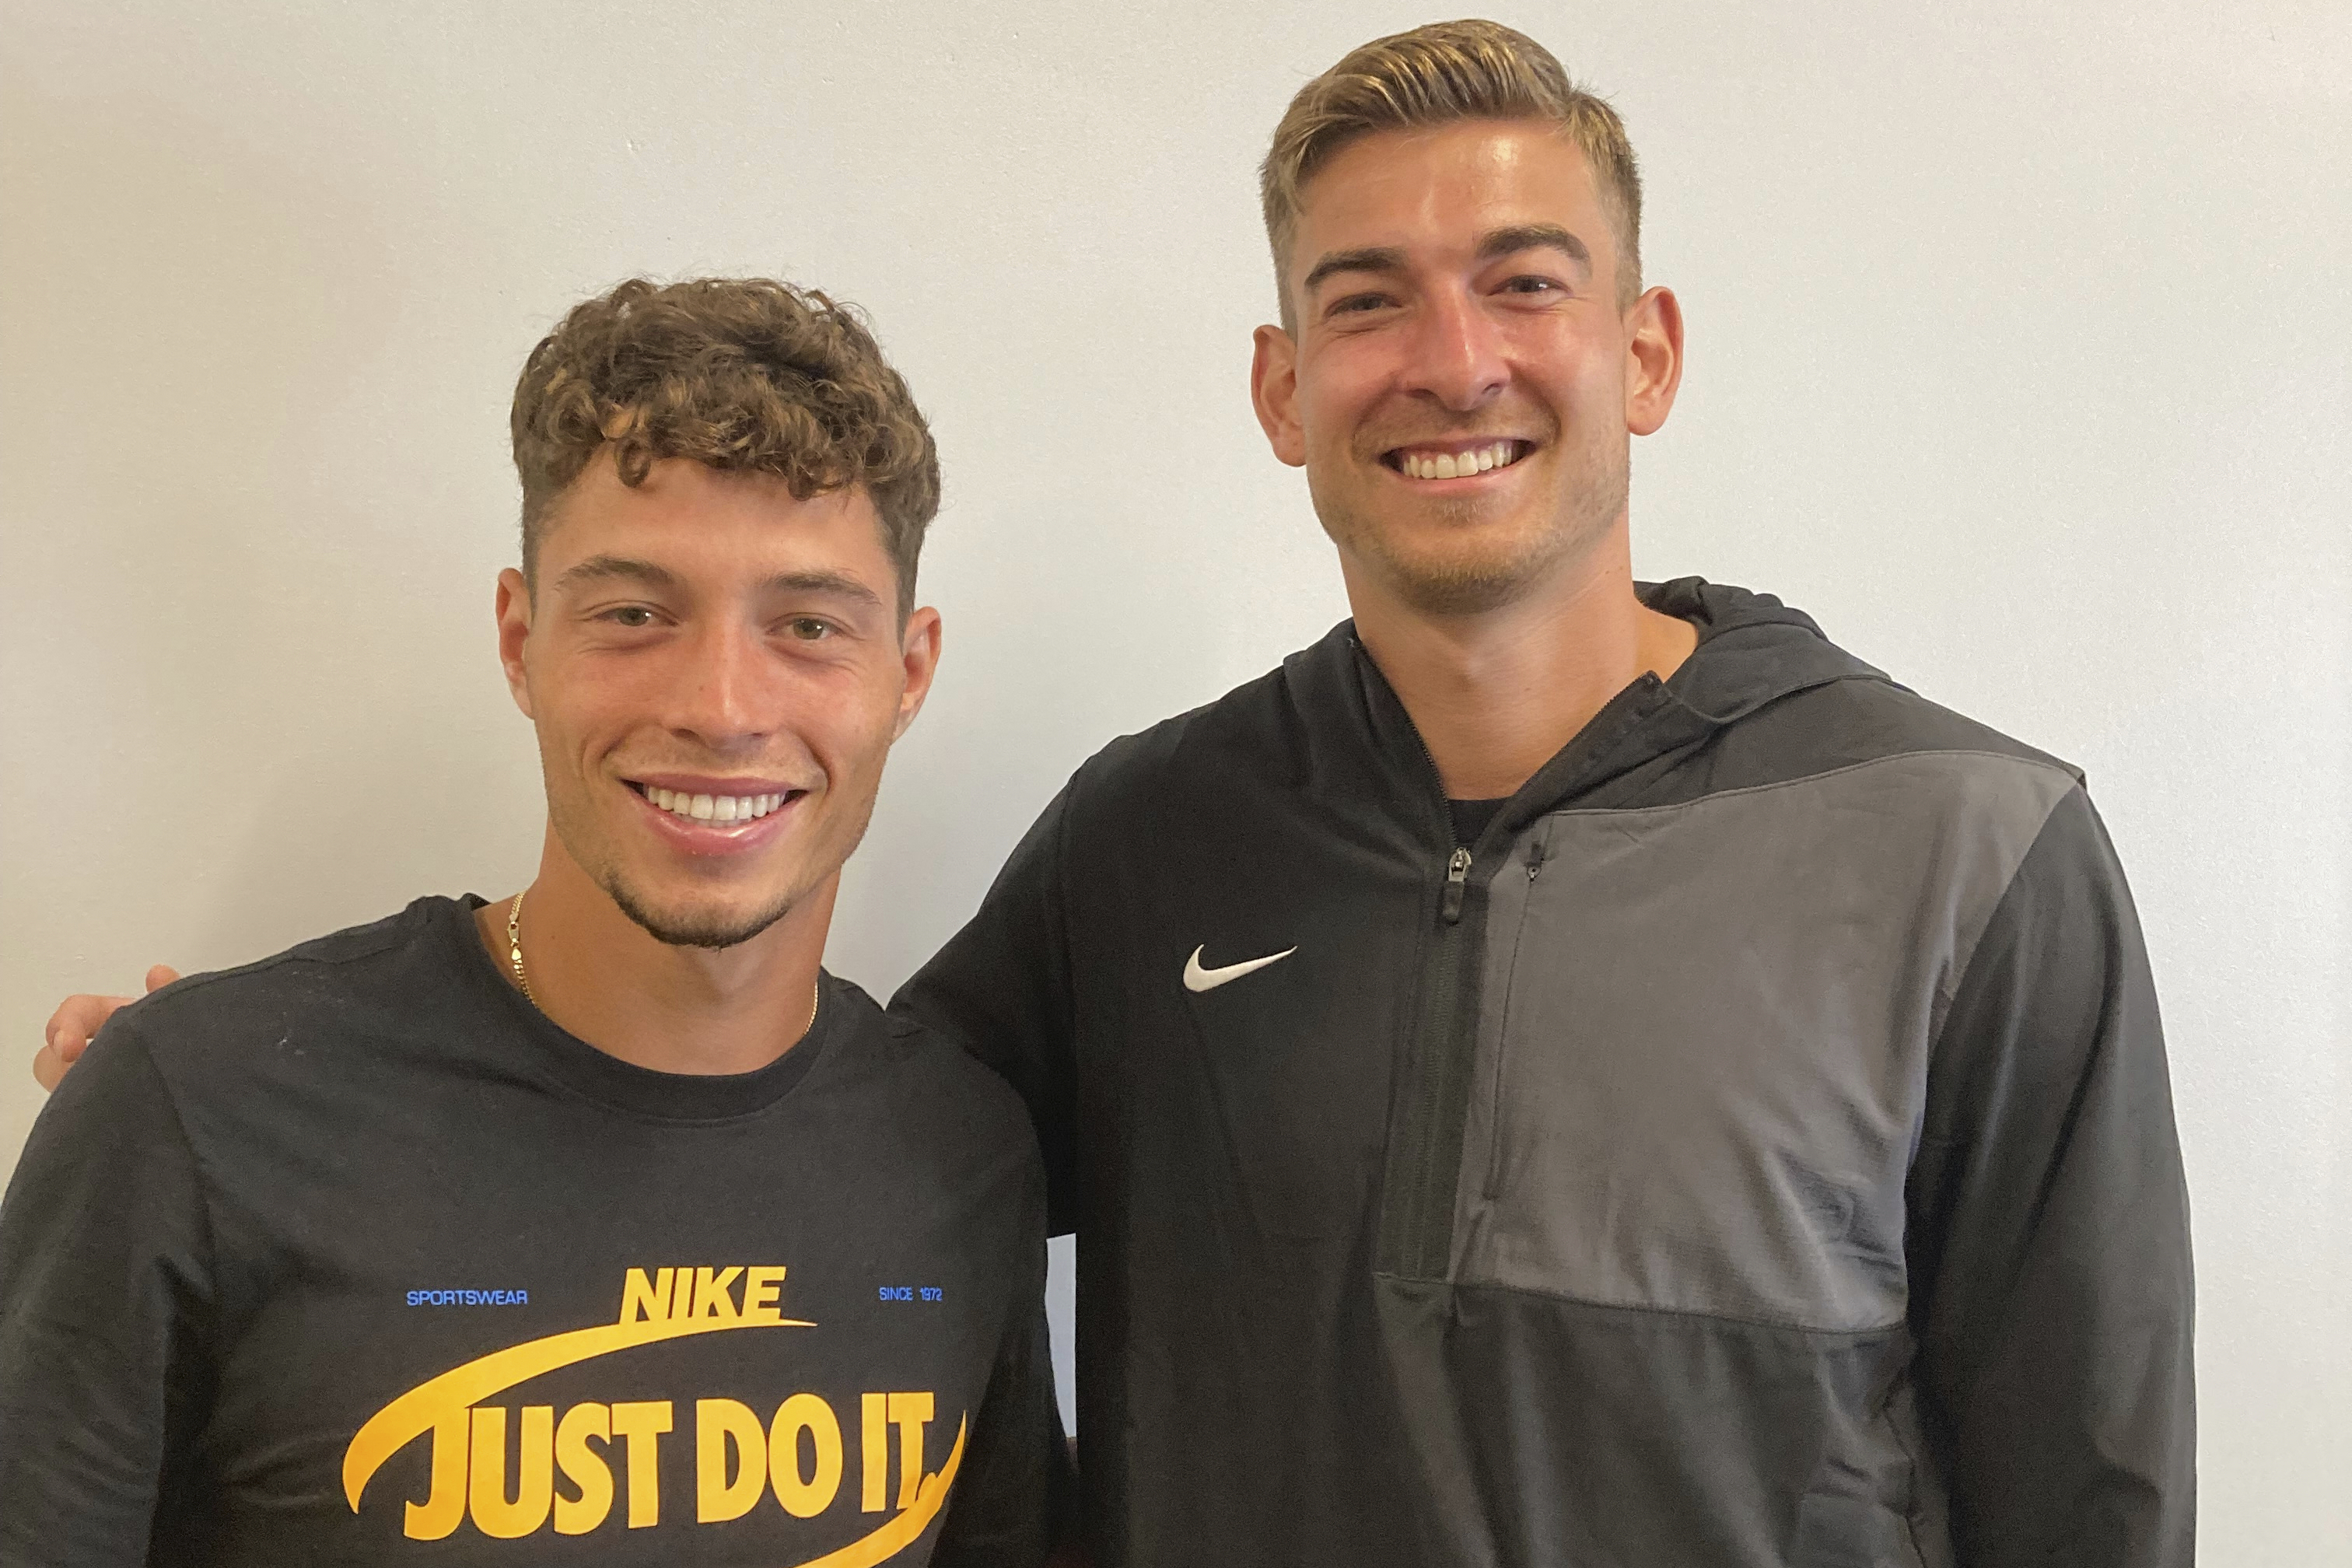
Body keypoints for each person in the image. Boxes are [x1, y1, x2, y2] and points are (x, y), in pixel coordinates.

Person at [31, 19, 2196, 1568]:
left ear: (1644, 352)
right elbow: (766, 1118)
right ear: (1282, 386)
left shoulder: (1971, 853)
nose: (1449, 360)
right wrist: (251, 1090)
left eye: (1524, 283)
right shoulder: (1155, 840)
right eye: (1365, 301)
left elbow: (2094, 1496)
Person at [2, 278, 1070, 1564]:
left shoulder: (965, 1153)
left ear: (908, 673)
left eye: (807, 625)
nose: (722, 704)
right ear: (521, 641)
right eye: (634, 613)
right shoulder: (194, 1109)